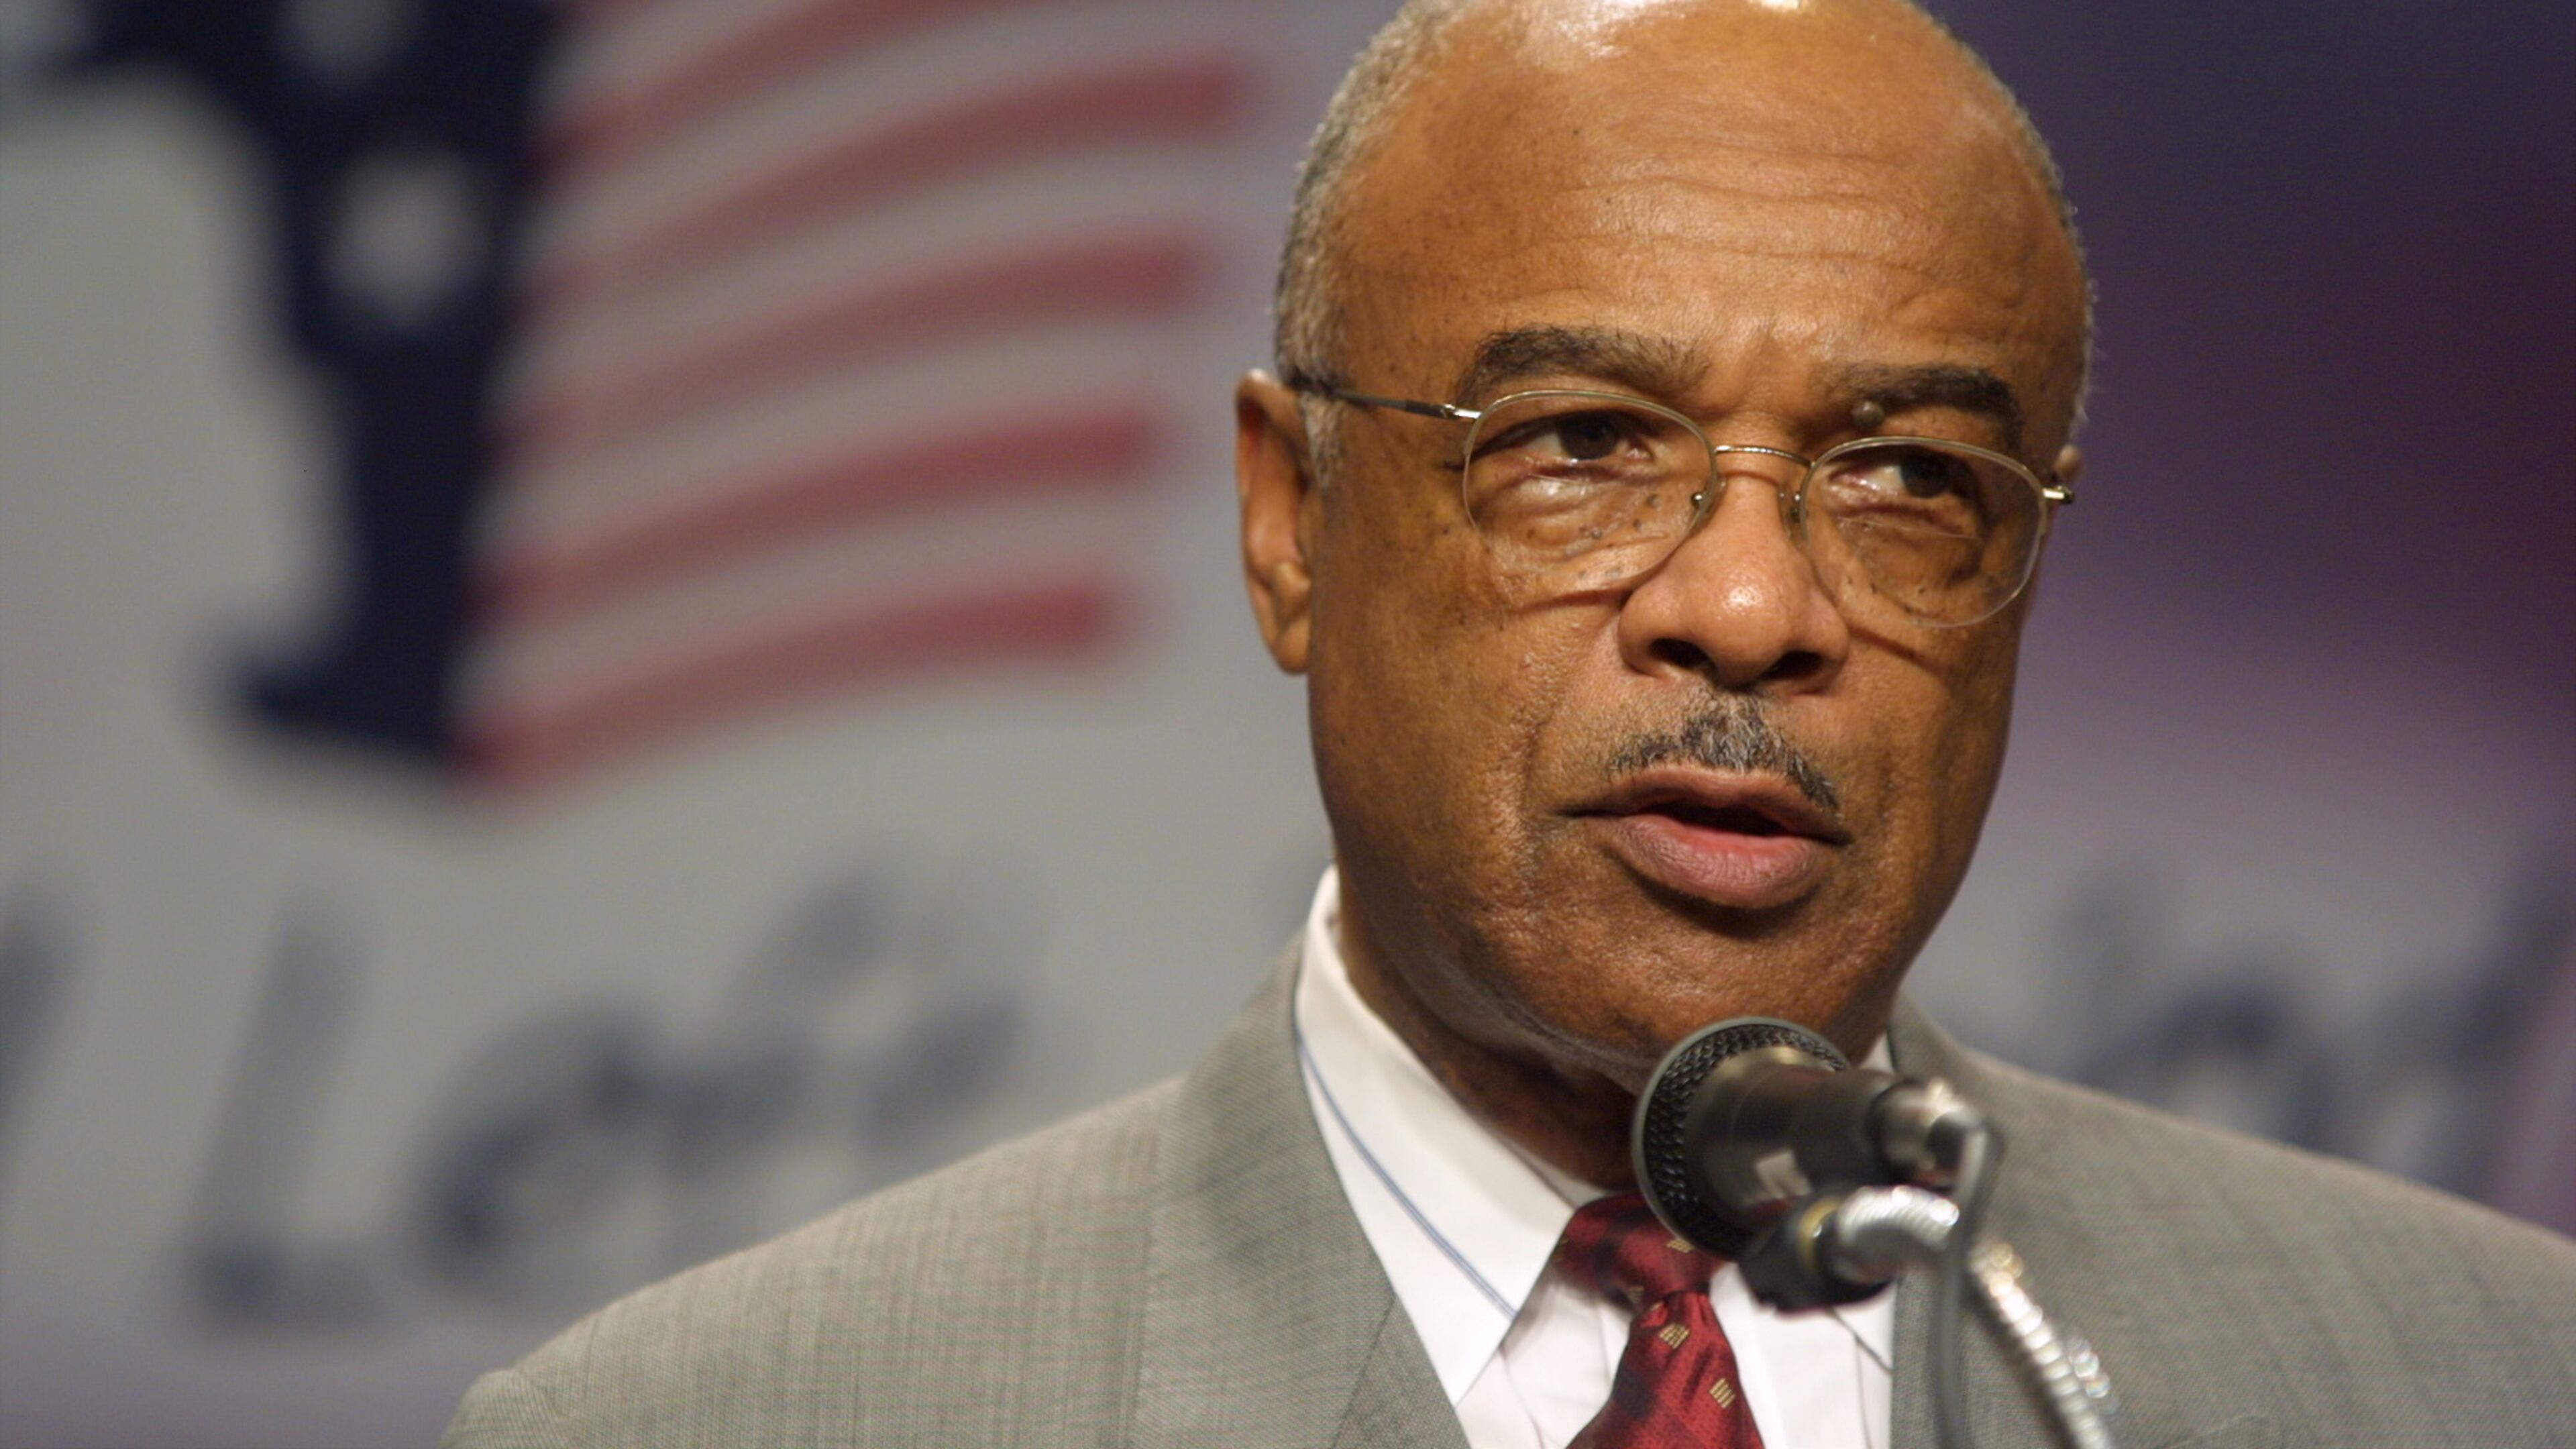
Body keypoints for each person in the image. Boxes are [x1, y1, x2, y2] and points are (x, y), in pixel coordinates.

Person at [443, 1, 2576, 1444]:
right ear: (1293, 525)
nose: (1751, 606)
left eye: (1913, 479)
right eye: (1580, 444)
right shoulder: (733, 1422)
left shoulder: (2478, 1380)